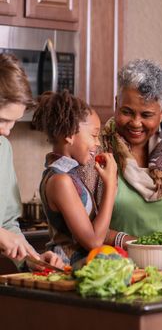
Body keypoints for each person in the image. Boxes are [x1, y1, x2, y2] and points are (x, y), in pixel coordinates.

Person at [79, 59, 162, 244]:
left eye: (146, 115)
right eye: (127, 112)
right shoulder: (95, 150)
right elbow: (82, 225)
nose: (135, 122)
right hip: (113, 266)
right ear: (117, 103)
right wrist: (139, 246)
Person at [32, 91, 118, 265]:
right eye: (94, 135)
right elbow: (94, 241)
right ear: (70, 134)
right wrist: (110, 186)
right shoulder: (60, 181)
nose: (98, 143)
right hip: (65, 267)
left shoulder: (70, 175)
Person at [0, 53, 63, 268]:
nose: (6, 131)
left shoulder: (3, 150)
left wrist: (32, 259)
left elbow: (8, 223)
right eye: (2, 120)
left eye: (13, 123)